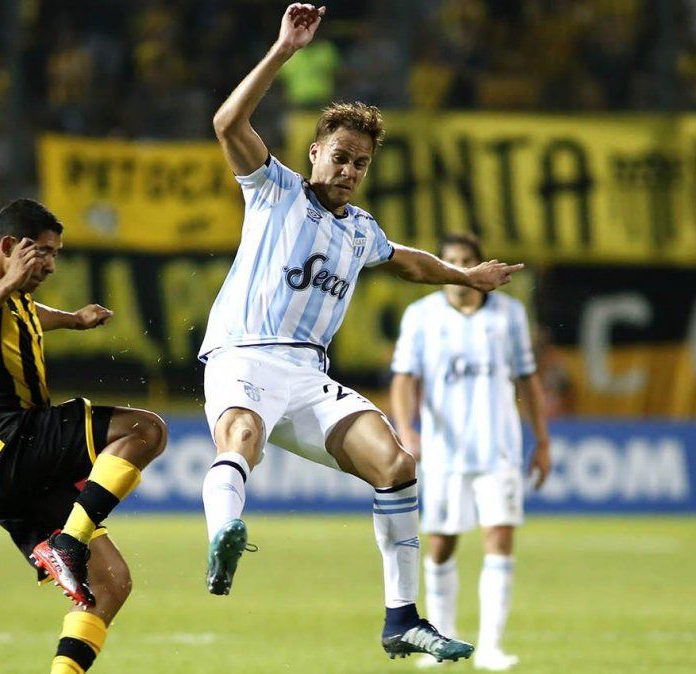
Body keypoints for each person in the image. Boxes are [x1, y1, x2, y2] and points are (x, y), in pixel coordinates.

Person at [198, 3, 523, 663]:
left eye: (359, 163)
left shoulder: (359, 230)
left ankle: (401, 619)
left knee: (397, 465)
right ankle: (224, 536)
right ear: (314, 151)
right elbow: (227, 122)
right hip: (242, 357)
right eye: (339, 156)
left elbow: (406, 261)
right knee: (241, 437)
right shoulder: (272, 190)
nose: (347, 170)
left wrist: (466, 274)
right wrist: (283, 50)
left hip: (308, 378)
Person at [0, 198, 167, 674]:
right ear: (8, 246)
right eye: (42, 251)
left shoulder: (8, 294)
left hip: (6, 479)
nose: (50, 264)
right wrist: (5, 284)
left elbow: (25, 314)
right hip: (8, 441)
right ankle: (71, 540)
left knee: (110, 584)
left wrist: (73, 319)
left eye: (56, 253)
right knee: (145, 430)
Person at [390, 233, 551, 671]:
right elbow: (404, 378)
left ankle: (493, 647)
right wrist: (406, 429)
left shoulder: (510, 315)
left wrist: (543, 440)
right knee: (441, 545)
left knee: (499, 538)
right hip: (443, 452)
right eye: (451, 262)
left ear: (480, 266)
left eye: (467, 261)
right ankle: (442, 640)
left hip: (499, 448)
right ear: (441, 268)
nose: (459, 270)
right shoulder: (421, 316)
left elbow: (527, 380)